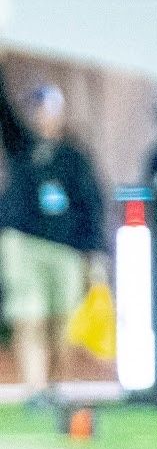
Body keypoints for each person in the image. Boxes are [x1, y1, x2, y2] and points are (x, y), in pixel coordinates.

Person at [0, 76, 107, 396]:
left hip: (65, 248)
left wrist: (95, 253)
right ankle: (36, 388)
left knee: (63, 323)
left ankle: (55, 387)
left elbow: (91, 205)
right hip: (25, 242)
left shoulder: (75, 157)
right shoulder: (21, 145)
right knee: (29, 315)